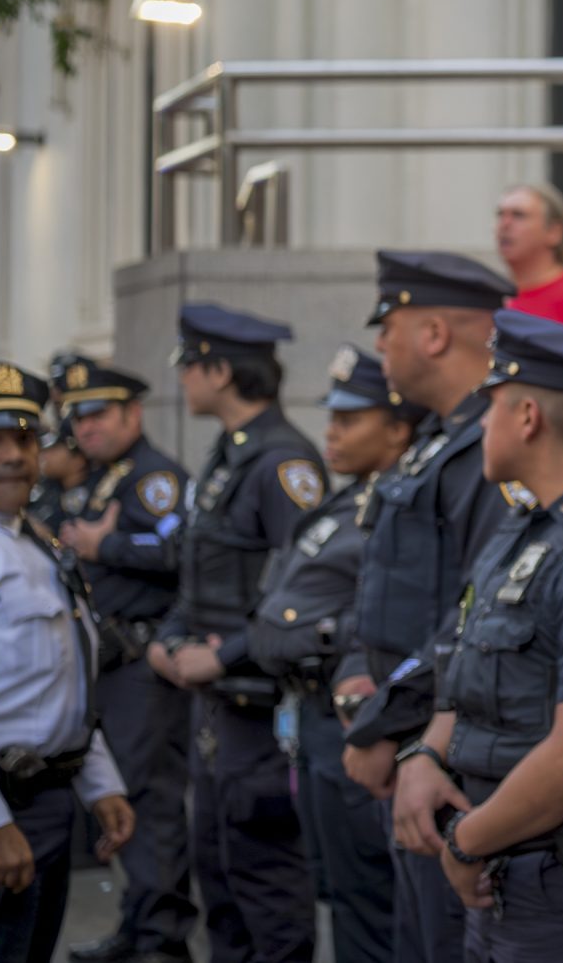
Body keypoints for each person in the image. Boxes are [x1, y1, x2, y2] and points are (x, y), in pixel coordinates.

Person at [387, 311, 563, 960]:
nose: (480, 426)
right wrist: (425, 755)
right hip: (501, 868)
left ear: (528, 416)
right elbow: (469, 666)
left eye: (492, 407)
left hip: (560, 884)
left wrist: (468, 839)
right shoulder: (524, 529)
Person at [339, 250, 516, 963]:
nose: (378, 343)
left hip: (451, 755)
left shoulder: (489, 445)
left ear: (436, 334)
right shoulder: (435, 441)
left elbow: (477, 612)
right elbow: (384, 587)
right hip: (409, 738)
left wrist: (389, 723)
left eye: (390, 325)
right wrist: (359, 675)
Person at [147, 303, 326, 963]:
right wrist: (169, 642)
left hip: (260, 711)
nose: (184, 379)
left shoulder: (284, 465)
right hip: (217, 712)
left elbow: (312, 594)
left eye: (189, 364)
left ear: (219, 370)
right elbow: (199, 576)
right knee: (220, 882)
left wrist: (219, 654)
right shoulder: (227, 457)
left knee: (267, 893)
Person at [248, 346, 423, 963]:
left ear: (399, 427)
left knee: (373, 908)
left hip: (356, 715)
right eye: (333, 417)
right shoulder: (348, 502)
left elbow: (398, 616)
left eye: (351, 419)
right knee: (340, 896)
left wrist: (318, 639)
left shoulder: (403, 510)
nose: (332, 431)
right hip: (314, 723)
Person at [43, 358, 196, 963]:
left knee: (149, 803)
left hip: (142, 667)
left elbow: (182, 550)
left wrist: (105, 543)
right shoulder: (102, 478)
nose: (86, 427)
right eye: (77, 416)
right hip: (106, 667)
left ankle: (161, 939)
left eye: (99, 413)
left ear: (133, 414)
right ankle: (139, 926)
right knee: (122, 803)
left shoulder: (154, 477)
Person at [0, 361, 135, 963]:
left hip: (44, 802)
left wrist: (99, 781)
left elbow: (61, 675)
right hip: (1, 808)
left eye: (24, 438)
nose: (14, 456)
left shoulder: (32, 540)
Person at [498, 182, 563, 335]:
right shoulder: (492, 294)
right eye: (500, 214)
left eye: (518, 215)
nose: (504, 224)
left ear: (554, 232)